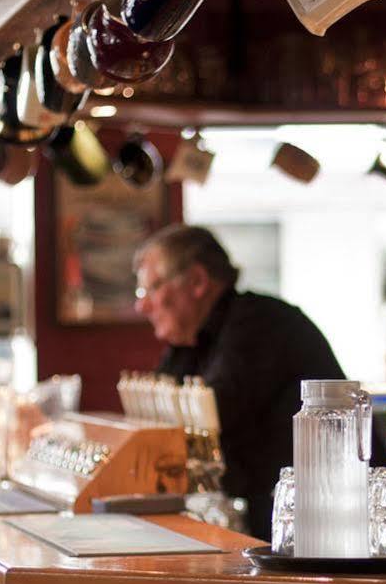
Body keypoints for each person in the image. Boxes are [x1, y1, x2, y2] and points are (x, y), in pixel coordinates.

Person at [134, 225, 344, 540]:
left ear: (197, 282)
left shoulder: (260, 323)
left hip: (324, 525)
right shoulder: (190, 342)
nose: (142, 306)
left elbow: (214, 418)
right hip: (271, 521)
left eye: (152, 289)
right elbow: (152, 421)